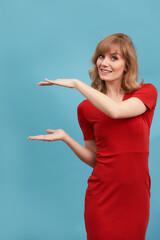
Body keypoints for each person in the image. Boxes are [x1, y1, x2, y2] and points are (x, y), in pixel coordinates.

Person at [28, 33, 158, 240]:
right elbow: (96, 159)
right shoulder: (85, 109)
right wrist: (66, 138)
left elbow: (116, 111)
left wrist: (78, 84)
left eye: (114, 58)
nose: (104, 63)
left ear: (127, 65)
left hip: (136, 196)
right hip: (102, 196)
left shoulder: (146, 93)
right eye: (101, 56)